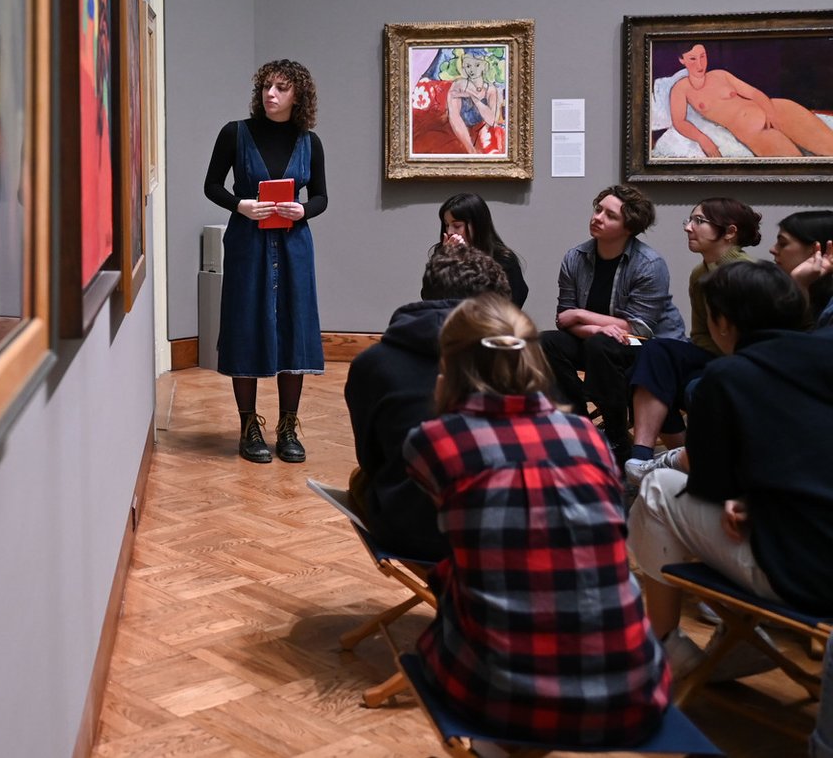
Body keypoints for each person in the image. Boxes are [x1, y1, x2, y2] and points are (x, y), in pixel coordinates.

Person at [404, 296, 669, 749]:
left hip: (502, 697)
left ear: (449, 365)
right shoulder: (587, 435)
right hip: (632, 689)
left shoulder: (435, 440)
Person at [628, 261, 822, 679]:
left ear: (722, 323)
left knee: (659, 488)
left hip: (801, 574)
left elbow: (710, 486)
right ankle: (735, 646)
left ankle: (663, 644)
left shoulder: (729, 375)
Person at [344, 245, 510, 562]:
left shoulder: (373, 363)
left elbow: (371, 458)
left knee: (360, 478)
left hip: (412, 534)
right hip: (504, 537)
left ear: (425, 295)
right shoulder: (518, 362)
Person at [203, 59, 327, 463]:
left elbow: (322, 197)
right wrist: (242, 205)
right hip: (247, 243)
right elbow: (211, 186)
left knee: (294, 325)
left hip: (294, 246)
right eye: (266, 87)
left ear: (298, 96)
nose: (270, 94)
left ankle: (288, 426)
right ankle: (248, 426)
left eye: (281, 88)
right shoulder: (235, 133)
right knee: (246, 324)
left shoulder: (310, 141)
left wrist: (302, 211)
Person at [539, 185, 685, 455]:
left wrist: (582, 316)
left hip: (648, 345)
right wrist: (595, 328)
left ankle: (617, 438)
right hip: (601, 341)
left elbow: (640, 328)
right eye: (598, 210)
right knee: (546, 342)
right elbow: (563, 319)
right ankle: (580, 424)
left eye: (610, 215)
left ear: (629, 227)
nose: (598, 217)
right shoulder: (576, 257)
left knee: (601, 346)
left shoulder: (649, 264)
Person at [621, 198, 757, 486]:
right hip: (710, 353)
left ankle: (687, 462)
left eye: (698, 221)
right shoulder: (700, 273)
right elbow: (701, 336)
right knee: (652, 355)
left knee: (669, 371)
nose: (688, 228)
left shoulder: (746, 273)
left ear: (729, 232)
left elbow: (754, 339)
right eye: (689, 219)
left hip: (744, 360)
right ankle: (642, 457)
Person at [666, 42, 833, 158]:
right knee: (797, 167)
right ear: (682, 60)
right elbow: (679, 122)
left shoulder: (720, 75)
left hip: (777, 109)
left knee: (829, 147)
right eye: (692, 59)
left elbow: (754, 93)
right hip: (752, 131)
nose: (700, 64)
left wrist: (771, 113)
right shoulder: (680, 89)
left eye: (703, 56)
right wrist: (703, 139)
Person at [430, 192, 527, 307]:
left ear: (477, 225)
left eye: (457, 226)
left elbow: (513, 303)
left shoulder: (503, 259)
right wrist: (445, 262)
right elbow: (429, 297)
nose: (450, 232)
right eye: (446, 225)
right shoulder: (442, 253)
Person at [772, 209, 833, 327]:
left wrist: (799, 283)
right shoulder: (777, 289)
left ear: (816, 250)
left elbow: (805, 343)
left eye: (783, 243)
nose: (773, 250)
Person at [444, 49, 505, 156]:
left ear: (484, 66)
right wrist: (471, 149)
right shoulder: (458, 86)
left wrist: (475, 98)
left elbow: (492, 121)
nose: (472, 69)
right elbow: (455, 117)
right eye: (468, 66)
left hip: (480, 130)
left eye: (477, 65)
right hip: (458, 131)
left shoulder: (490, 90)